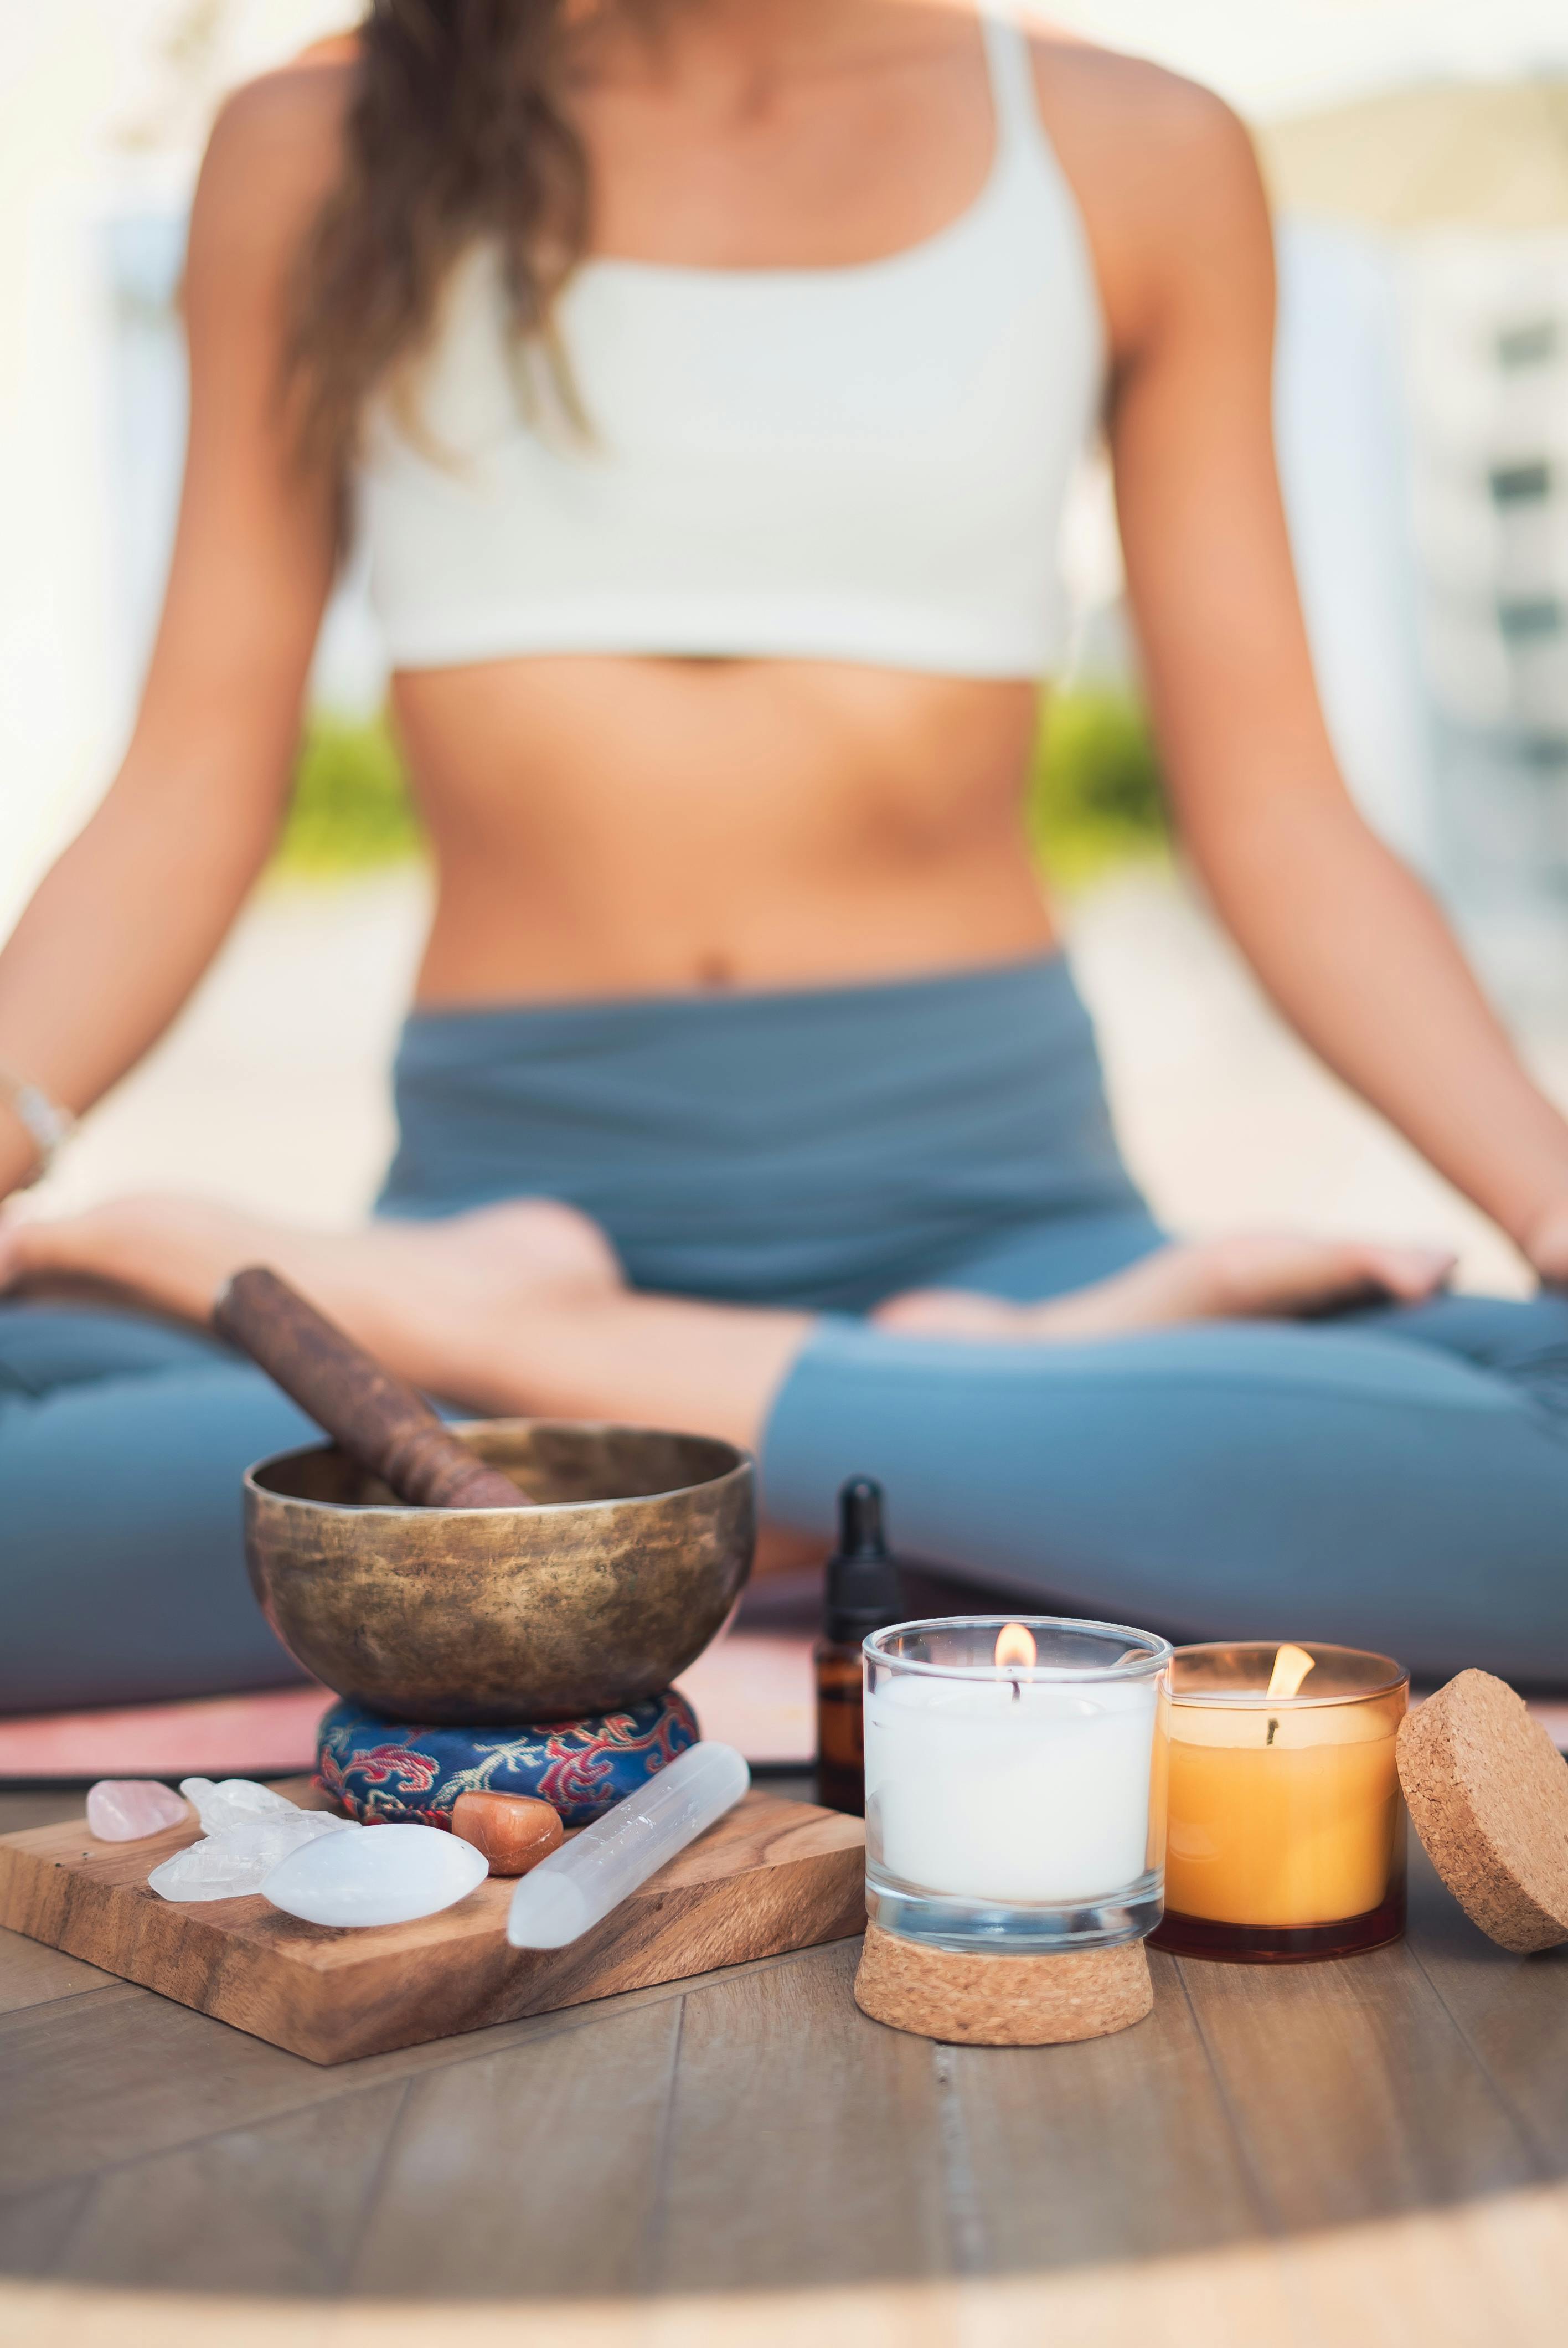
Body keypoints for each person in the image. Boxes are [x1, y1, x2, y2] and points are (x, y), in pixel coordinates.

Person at [4, 0, 1568, 1715]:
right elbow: (187, 785)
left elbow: (1279, 807)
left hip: (996, 1230)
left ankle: (599, 1379)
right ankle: (972, 1472)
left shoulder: (1137, 150)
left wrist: (1545, 1196)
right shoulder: (315, 146)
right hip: (502, 1204)